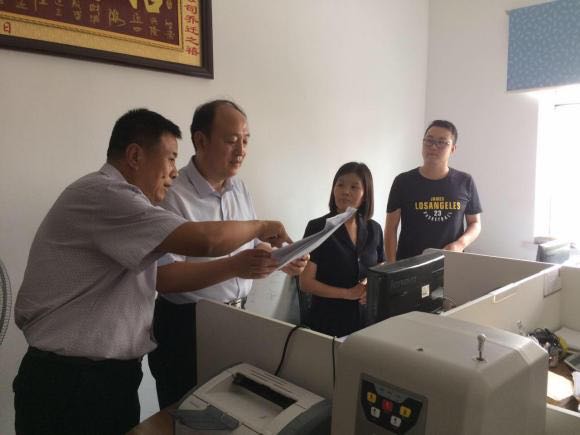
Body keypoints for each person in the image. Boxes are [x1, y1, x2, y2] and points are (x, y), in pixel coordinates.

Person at [12, 108, 291, 435]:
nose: (173, 172)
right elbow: (205, 240)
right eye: (170, 158)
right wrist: (261, 226)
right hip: (71, 382)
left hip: (106, 377)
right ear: (134, 156)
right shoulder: (107, 194)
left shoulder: (128, 202)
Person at [148, 99, 308, 409]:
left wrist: (281, 259)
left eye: (246, 140)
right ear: (201, 140)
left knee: (233, 413)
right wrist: (235, 266)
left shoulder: (239, 189)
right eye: (232, 140)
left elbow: (252, 247)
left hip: (236, 318)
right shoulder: (171, 194)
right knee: (185, 414)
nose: (241, 150)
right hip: (186, 325)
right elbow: (165, 277)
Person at [299, 162, 384, 337]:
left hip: (366, 322)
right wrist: (348, 294)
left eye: (354, 187)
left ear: (365, 195)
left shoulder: (374, 229)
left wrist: (369, 285)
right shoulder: (318, 227)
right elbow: (305, 282)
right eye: (340, 185)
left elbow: (382, 266)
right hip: (327, 322)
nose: (345, 191)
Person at [385, 120, 482, 262]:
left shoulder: (465, 181)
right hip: (410, 264)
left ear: (453, 149)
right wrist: (391, 265)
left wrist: (460, 244)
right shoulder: (403, 181)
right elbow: (390, 228)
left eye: (442, 142)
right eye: (429, 141)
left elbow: (475, 223)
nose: (433, 146)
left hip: (450, 262)